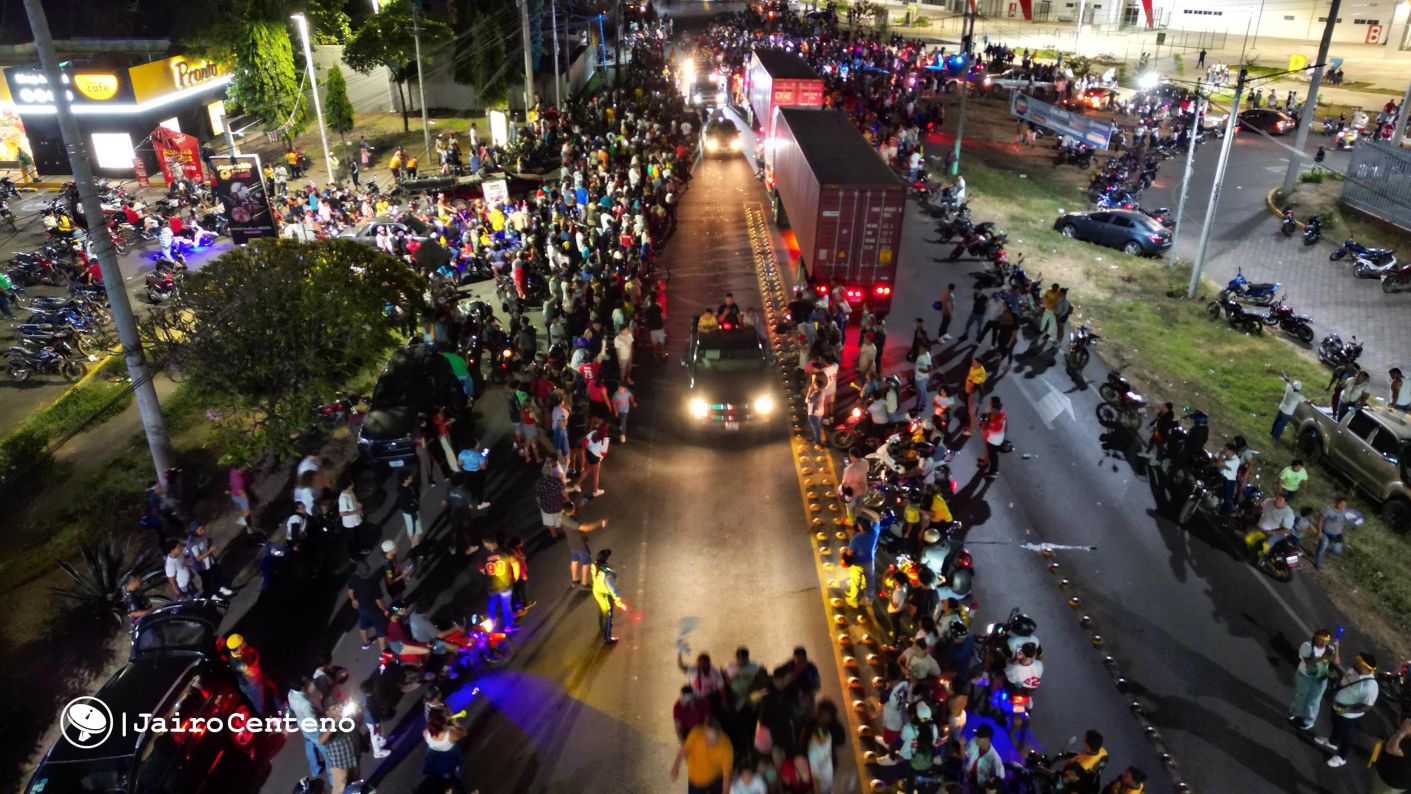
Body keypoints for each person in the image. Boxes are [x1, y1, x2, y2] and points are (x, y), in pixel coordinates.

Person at [1316, 652, 1380, 767]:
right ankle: (1332, 742)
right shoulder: (1354, 670)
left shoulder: (1370, 686)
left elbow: (1367, 707)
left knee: (1346, 735)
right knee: (1335, 724)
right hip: (1337, 708)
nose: (1355, 661)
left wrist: (1348, 710)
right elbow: (1344, 680)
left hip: (1348, 716)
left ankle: (1342, 756)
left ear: (1366, 667)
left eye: (1358, 661)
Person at [1288, 628, 1337, 731]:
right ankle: (1294, 712)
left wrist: (1336, 649)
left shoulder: (1330, 648)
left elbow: (1336, 663)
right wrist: (1323, 658)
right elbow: (1309, 662)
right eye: (1321, 639)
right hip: (1305, 676)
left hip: (1320, 679)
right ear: (1316, 637)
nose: (1324, 643)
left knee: (1314, 701)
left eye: (1326, 641)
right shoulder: (1307, 646)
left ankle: (1308, 720)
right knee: (1301, 695)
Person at [672, 719, 734, 794]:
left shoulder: (726, 747)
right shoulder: (696, 733)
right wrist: (676, 766)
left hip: (714, 782)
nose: (709, 743)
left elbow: (726, 777)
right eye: (707, 738)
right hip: (695, 783)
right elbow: (683, 751)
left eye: (712, 740)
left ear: (719, 735)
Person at [478, 533, 519, 633]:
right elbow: (515, 564)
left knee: (492, 603)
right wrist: (515, 577)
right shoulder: (505, 551)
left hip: (492, 585)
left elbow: (482, 570)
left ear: (487, 543)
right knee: (506, 606)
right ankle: (509, 625)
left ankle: (492, 622)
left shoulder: (482, 555)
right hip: (505, 584)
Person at [563, 499, 607, 587]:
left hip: (571, 543)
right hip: (579, 544)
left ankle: (575, 580)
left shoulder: (563, 516)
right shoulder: (572, 522)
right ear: (572, 510)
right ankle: (584, 582)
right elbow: (587, 528)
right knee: (586, 563)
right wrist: (600, 523)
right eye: (574, 507)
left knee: (574, 560)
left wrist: (581, 505)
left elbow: (573, 509)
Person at [592, 548, 626, 644]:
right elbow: (613, 589)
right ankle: (607, 638)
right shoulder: (607, 574)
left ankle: (601, 626)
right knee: (608, 614)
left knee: (602, 610)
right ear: (606, 559)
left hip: (597, 591)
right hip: (605, 594)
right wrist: (619, 602)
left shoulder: (594, 565)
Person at [1371, 719, 1411, 794]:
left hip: (1390, 781)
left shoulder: (1407, 745)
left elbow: (1391, 748)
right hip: (1389, 773)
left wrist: (1403, 732)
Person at [965, 723, 1006, 790]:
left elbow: (1000, 779)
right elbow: (965, 756)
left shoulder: (995, 759)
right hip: (967, 780)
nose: (976, 738)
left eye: (979, 737)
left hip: (981, 788)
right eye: (976, 735)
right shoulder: (973, 743)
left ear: (987, 740)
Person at [1314, 496, 1350, 568]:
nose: (1342, 506)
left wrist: (1341, 528)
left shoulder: (1344, 511)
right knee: (1323, 545)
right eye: (1341, 504)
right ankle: (1318, 563)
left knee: (1337, 550)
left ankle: (1322, 552)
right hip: (1326, 533)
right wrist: (1319, 531)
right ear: (1336, 502)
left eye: (1344, 505)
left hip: (1337, 534)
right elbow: (1321, 520)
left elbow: (1343, 521)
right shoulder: (1328, 510)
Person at [976, 396, 1007, 476]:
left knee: (993, 455)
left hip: (994, 440)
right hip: (999, 437)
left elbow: (984, 427)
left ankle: (994, 471)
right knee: (989, 451)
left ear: (994, 406)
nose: (989, 404)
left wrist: (983, 421)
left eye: (990, 403)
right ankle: (985, 461)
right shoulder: (1002, 414)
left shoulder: (994, 421)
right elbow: (1006, 425)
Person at [1271, 374, 1305, 442]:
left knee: (1277, 421)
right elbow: (1306, 402)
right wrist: (1311, 401)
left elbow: (1287, 381)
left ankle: (1272, 433)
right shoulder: (1299, 396)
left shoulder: (1289, 388)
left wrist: (1285, 376)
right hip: (1287, 413)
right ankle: (1275, 438)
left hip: (1281, 408)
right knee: (1281, 425)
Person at [397, 470, 423, 548]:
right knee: (416, 530)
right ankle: (415, 546)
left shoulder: (405, 487)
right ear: (405, 479)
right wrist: (414, 513)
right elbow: (404, 505)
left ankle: (414, 544)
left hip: (411, 512)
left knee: (411, 529)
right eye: (409, 476)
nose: (411, 476)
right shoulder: (404, 492)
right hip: (411, 513)